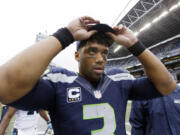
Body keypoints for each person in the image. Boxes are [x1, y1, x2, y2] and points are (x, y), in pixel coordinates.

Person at [0, 16, 176, 135]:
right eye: (92, 51)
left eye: (105, 53)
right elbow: (4, 86)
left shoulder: (119, 80)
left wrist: (134, 44)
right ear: (77, 55)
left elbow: (167, 85)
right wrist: (66, 35)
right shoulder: (60, 83)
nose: (100, 59)